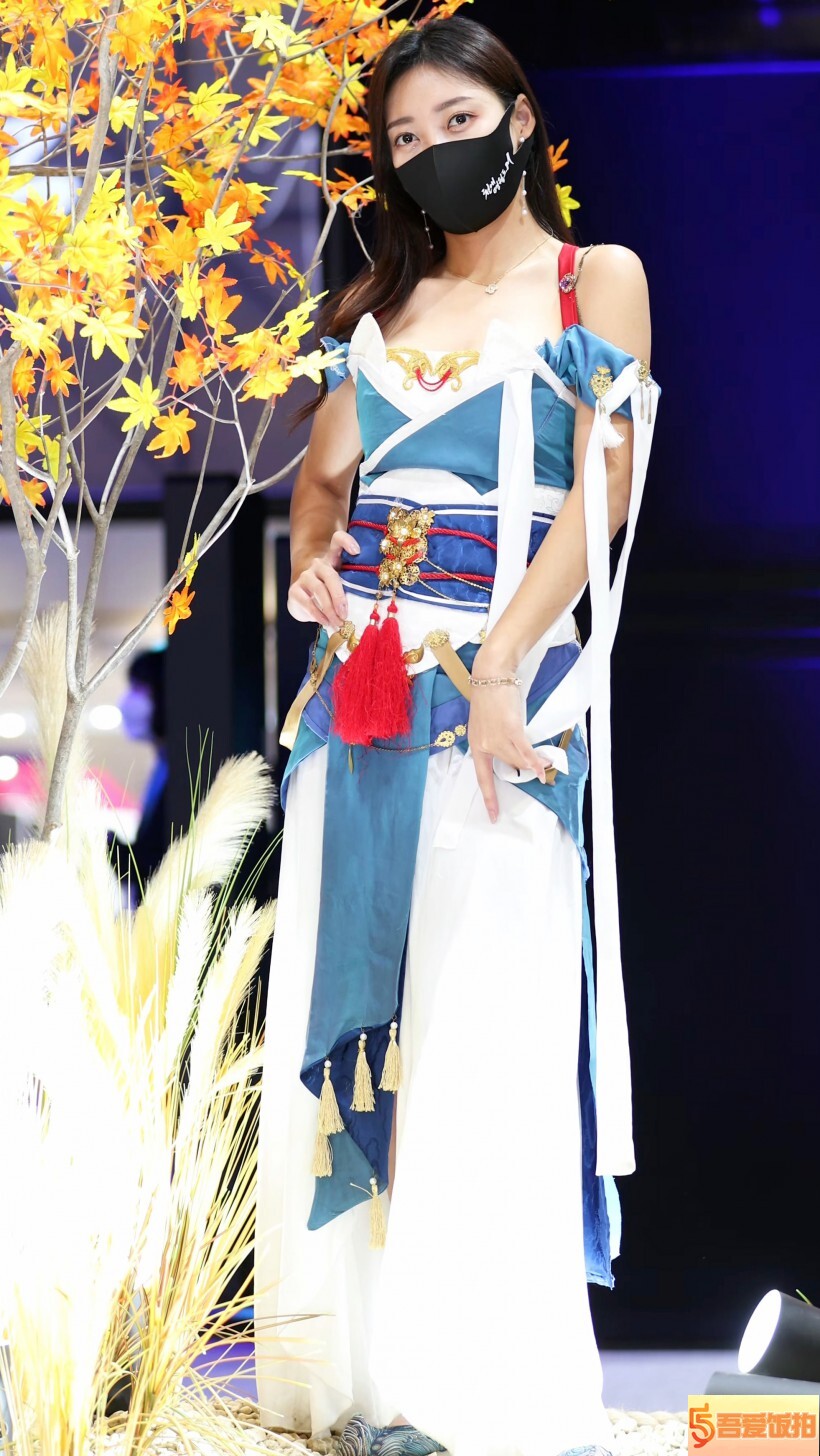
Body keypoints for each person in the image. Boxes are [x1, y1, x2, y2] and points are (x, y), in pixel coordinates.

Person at [255, 15, 660, 1456]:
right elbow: (321, 492)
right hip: (360, 705)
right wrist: (311, 571)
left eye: (454, 122)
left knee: (484, 1029)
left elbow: (602, 489)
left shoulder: (595, 280)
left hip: (505, 710)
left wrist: (498, 666)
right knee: (351, 1018)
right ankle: (353, 1383)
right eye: (403, 140)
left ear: (518, 116)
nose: (430, 153)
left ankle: (470, 1393)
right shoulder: (380, 305)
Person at [109, 647, 169, 905]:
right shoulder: (161, 767)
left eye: (139, 688)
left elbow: (159, 860)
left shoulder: (179, 769)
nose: (128, 701)